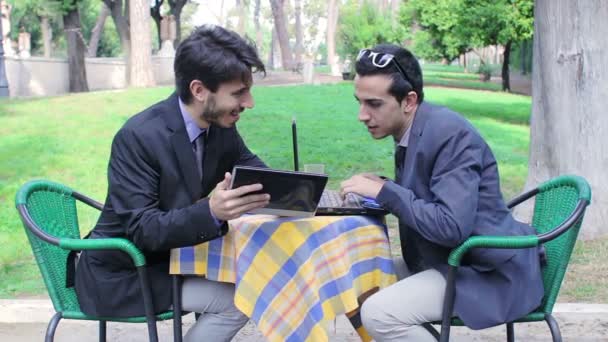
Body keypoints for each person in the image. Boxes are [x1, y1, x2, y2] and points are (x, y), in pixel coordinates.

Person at [75, 25, 271, 341]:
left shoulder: (219, 125)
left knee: (253, 281)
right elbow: (143, 228)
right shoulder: (138, 137)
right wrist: (212, 212)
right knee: (239, 301)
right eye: (238, 93)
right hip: (125, 273)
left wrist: (305, 192)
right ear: (198, 90)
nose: (249, 103)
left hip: (175, 262)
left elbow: (257, 176)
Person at [339, 44, 544, 341]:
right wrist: (382, 189)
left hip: (485, 273)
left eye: (374, 104)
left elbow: (451, 227)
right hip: (448, 261)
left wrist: (386, 192)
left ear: (409, 101)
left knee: (379, 314)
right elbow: (426, 194)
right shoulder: (414, 128)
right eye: (359, 102)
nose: (362, 115)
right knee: (352, 282)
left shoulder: (449, 134)